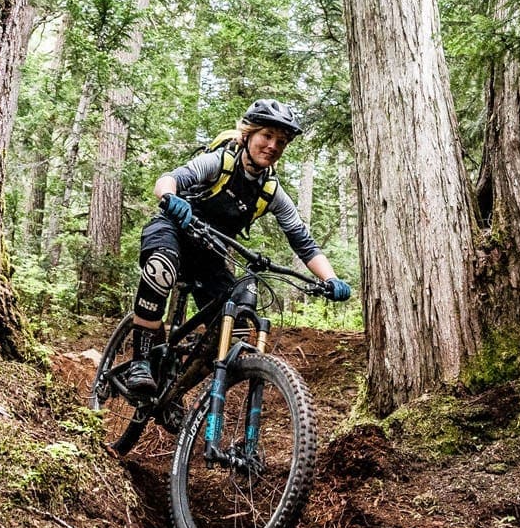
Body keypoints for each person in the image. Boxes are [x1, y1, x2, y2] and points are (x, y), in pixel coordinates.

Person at [119, 98, 350, 401]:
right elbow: (168, 180)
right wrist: (171, 198)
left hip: (210, 252)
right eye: (267, 136)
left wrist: (330, 279)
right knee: (161, 268)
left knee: (236, 328)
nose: (273, 146)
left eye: (281, 141)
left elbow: (303, 242)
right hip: (172, 230)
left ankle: (173, 395)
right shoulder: (220, 162)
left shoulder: (271, 191)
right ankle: (140, 363)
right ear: (248, 134)